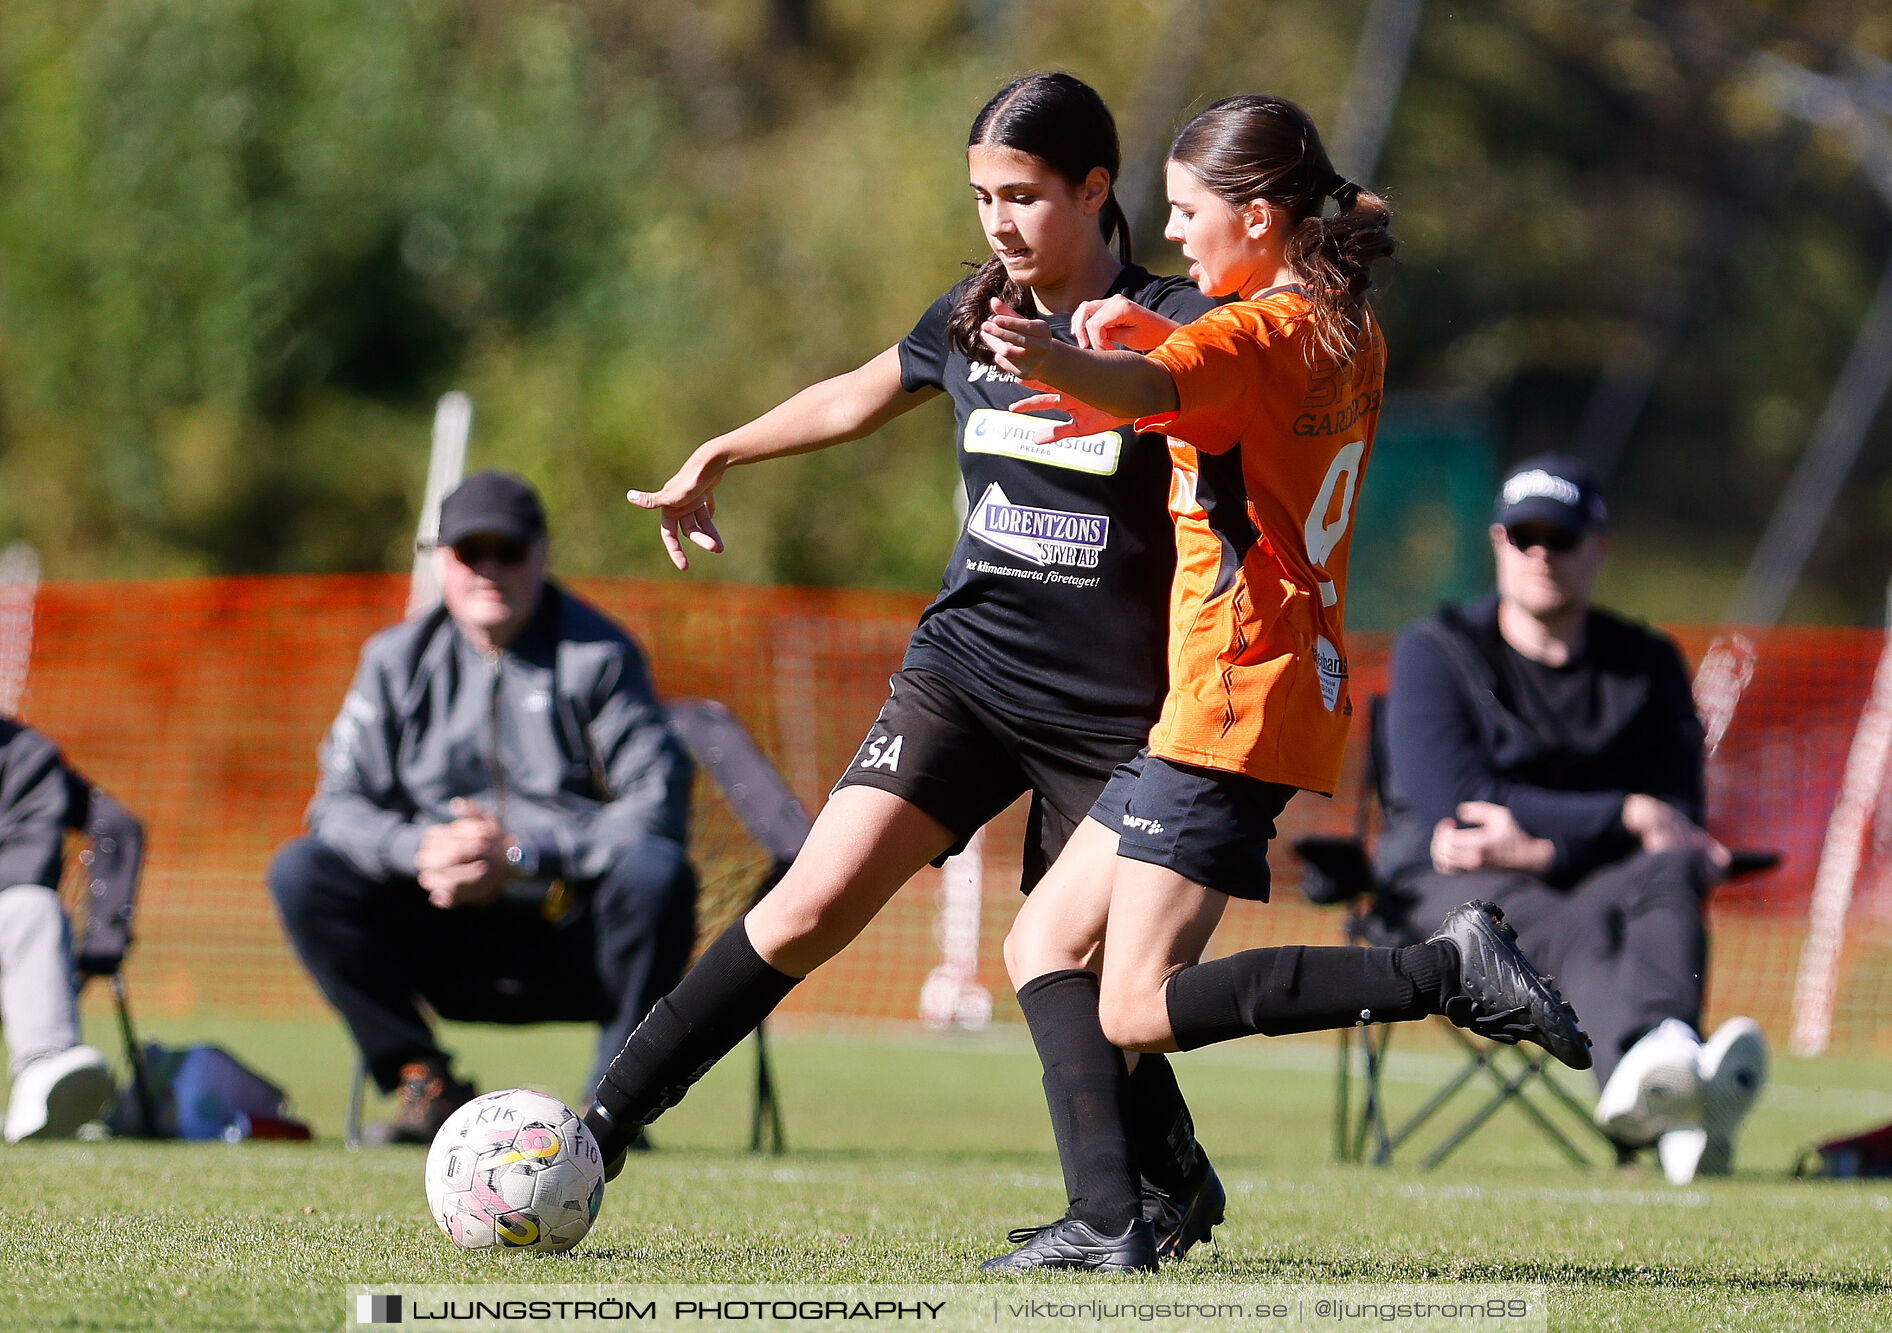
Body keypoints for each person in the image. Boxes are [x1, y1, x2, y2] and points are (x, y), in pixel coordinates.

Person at [584, 73, 1228, 1258]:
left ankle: (1164, 1181)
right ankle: (598, 1128)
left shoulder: (1169, 328)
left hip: (1123, 716)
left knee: (1085, 974)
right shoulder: (971, 310)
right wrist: (723, 448)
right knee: (810, 902)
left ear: (1094, 191)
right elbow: (861, 390)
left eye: (1023, 195)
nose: (996, 220)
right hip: (965, 674)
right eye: (982, 195)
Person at [974, 93, 1590, 1270]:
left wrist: (1061, 353)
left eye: (1190, 210)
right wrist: (1131, 338)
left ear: (1256, 216)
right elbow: (1207, 382)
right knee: (1043, 940)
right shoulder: (1339, 322)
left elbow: (1172, 387)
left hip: (1232, 688)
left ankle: (1440, 969)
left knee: (1134, 1005)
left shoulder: (1254, 334)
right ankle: (1113, 1218)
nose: (1175, 230)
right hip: (1252, 681)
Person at [268, 469, 697, 1144]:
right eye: (472, 553)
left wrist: (525, 853)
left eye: (509, 551)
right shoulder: (393, 660)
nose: (489, 569)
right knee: (301, 870)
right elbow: (336, 805)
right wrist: (421, 849)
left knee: (659, 872)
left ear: (541, 553)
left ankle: (611, 1108)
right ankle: (423, 1081)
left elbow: (657, 806)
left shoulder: (602, 655)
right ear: (443, 561)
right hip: (437, 924)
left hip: (568, 925)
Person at [1376, 454, 1767, 1184]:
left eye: (1562, 536)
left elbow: (1679, 819)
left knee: (1675, 864)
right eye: (1525, 535)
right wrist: (1623, 811)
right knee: (1577, 919)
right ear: (1498, 543)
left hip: (1580, 874)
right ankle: (1674, 1080)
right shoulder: (1437, 650)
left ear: (1599, 547)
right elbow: (1456, 799)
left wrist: (1544, 848)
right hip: (1445, 883)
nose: (1542, 553)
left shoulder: (1647, 663)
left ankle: (1665, 1078)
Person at [0, 716, 116, 1142]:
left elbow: (117, 828)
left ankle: (43, 1076)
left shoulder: (24, 756)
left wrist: (105, 941)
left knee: (30, 907)